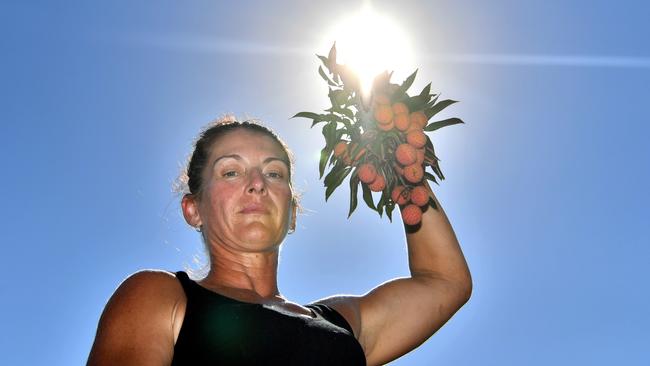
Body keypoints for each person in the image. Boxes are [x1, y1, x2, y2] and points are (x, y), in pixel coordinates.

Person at [87, 117, 472, 365]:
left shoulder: (338, 322)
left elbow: (445, 283)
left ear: (291, 213)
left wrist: (404, 174)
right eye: (232, 171)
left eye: (274, 173)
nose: (257, 184)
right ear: (194, 209)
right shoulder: (160, 297)